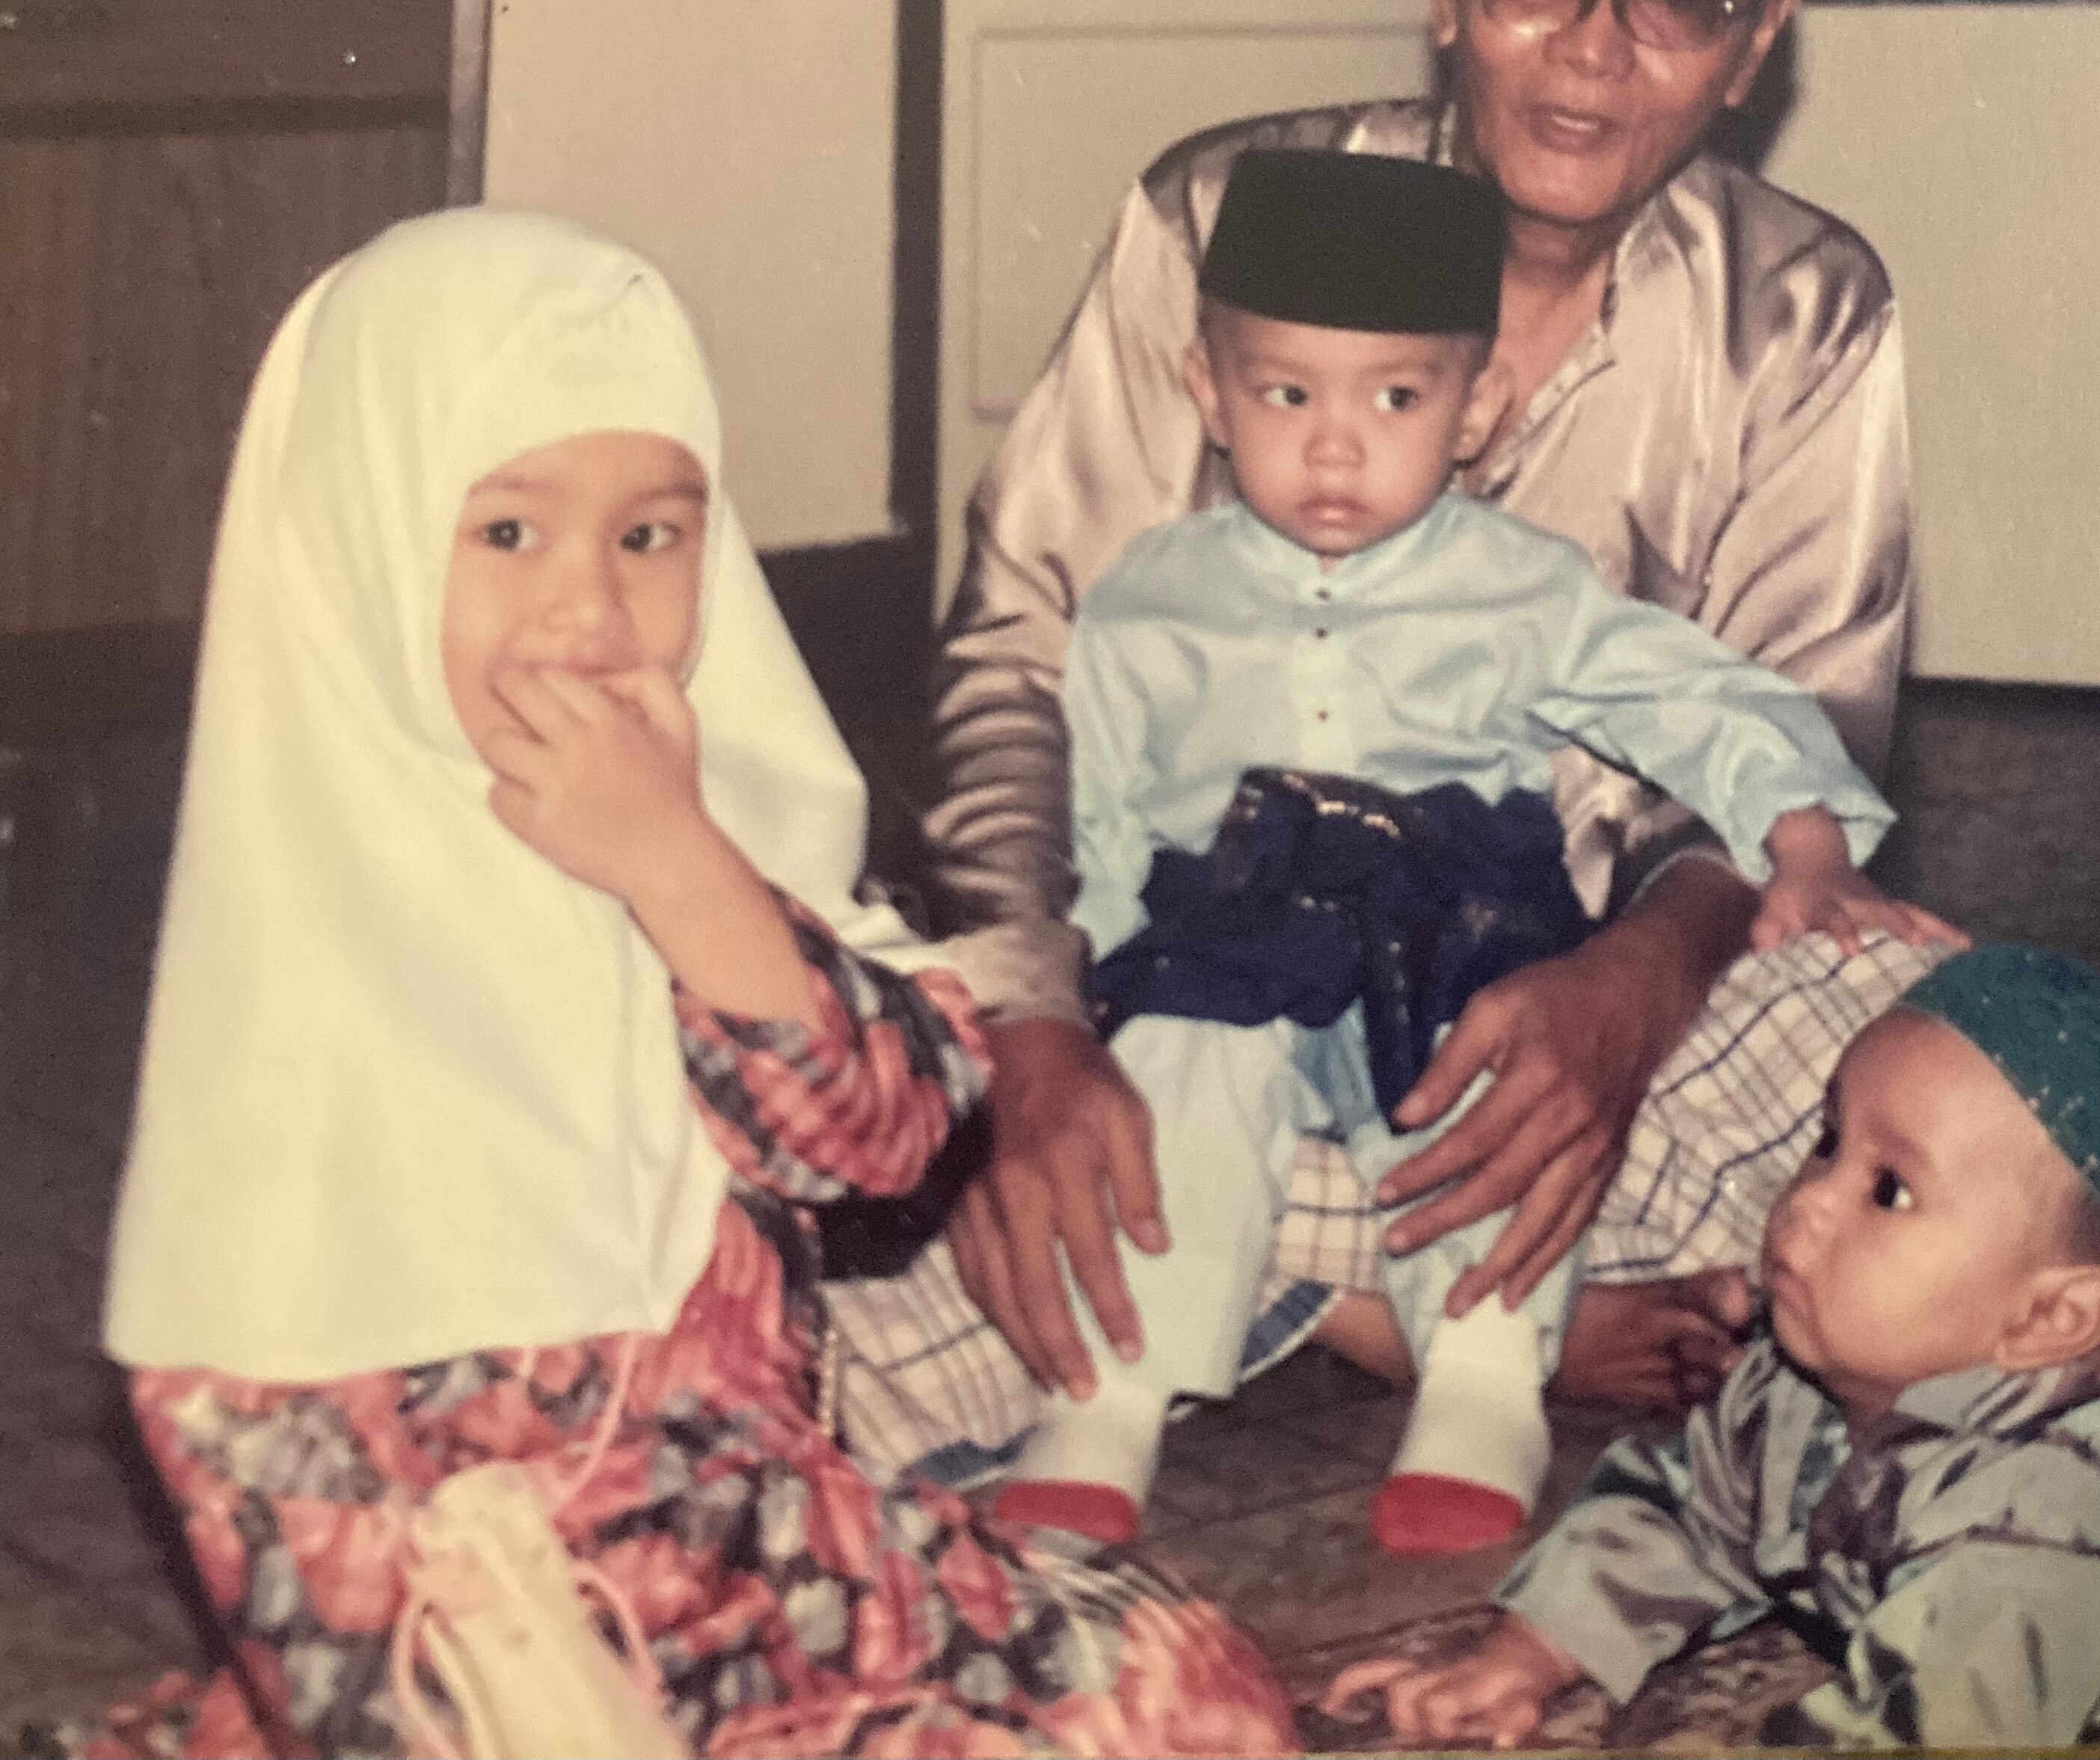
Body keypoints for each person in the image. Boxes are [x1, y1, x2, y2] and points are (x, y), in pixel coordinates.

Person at [823, 0, 1928, 1480]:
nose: (1590, 50)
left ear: (1754, 42)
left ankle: (1299, 1272)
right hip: (1177, 962)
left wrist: (1634, 992)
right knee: (830, 1006)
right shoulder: (1220, 222)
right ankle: (1439, 1307)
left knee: (1916, 1023)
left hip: (1525, 1005)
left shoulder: (1803, 310)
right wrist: (1032, 1034)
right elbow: (1021, 657)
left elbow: (1792, 730)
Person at [42, 212, 1293, 1760]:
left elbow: (888, 1139)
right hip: (483, 1661)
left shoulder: (693, 821)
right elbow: (322, 1571)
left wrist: (683, 870)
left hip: (781, 1585)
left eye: (650, 535)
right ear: (358, 545)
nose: (589, 609)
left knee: (1188, 1694)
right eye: (505, 535)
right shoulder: (296, 996)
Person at [988, 145, 1956, 1559]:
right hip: (1233, 931)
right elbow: (1105, 816)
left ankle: (1483, 1378)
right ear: (1207, 393)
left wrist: (1803, 841)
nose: (1335, 444)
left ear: (1475, 407)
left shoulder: (1521, 588)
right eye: (1283, 394)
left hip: (1452, 921)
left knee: (1487, 1083)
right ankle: (1111, 1389)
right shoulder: (1146, 600)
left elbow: (1693, 698)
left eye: (1395, 397)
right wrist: (1074, 990)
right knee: (1173, 1079)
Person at [1324, 944, 2100, 1750]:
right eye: (1827, 1142)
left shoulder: (2050, 1518)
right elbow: (1684, 1513)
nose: (1809, 1202)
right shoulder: (1790, 1390)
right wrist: (1523, 1656)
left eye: (1887, 1188)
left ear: (2046, 1322)